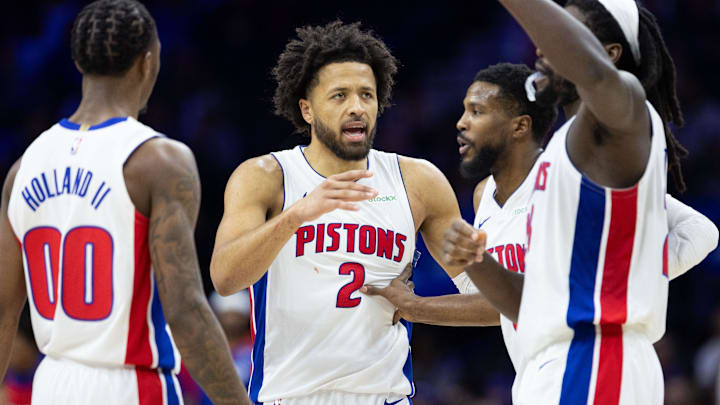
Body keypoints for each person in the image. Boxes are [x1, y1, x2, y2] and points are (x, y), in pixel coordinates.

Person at [367, 61, 717, 401]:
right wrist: (426, 294)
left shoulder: (578, 176)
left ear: (519, 126)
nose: (461, 123)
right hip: (535, 375)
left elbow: (700, 230)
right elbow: (502, 301)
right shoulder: (483, 195)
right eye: (463, 111)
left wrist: (621, 281)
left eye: (476, 112)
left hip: (590, 364)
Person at [442, 0, 718, 404]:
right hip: (549, 367)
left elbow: (701, 232)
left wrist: (631, 280)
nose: (542, 45)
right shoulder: (559, 155)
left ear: (608, 55)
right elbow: (531, 303)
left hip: (595, 360)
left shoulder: (624, 115)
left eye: (565, 33)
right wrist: (478, 262)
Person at [210, 21, 497, 405]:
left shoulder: (418, 181)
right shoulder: (266, 177)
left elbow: (494, 303)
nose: (357, 108)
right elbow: (225, 278)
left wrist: (417, 307)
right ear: (307, 109)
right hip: (289, 396)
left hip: (385, 396)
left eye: (367, 95)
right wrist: (296, 216)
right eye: (339, 96)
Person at [0, 1, 251, 404]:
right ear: (148, 62)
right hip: (130, 386)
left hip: (51, 386)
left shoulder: (23, 167)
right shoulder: (160, 161)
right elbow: (185, 311)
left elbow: (2, 310)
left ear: (79, 63)